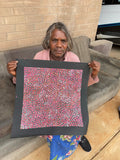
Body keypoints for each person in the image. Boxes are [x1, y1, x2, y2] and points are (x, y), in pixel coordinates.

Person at [7, 22, 100, 160]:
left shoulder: (73, 59)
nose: (58, 45)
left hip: (66, 102)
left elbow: (78, 87)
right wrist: (16, 75)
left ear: (67, 43)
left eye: (63, 41)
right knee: (56, 133)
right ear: (48, 41)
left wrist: (93, 74)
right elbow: (32, 85)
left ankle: (78, 136)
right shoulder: (40, 56)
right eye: (54, 40)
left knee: (75, 122)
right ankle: (59, 153)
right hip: (46, 103)